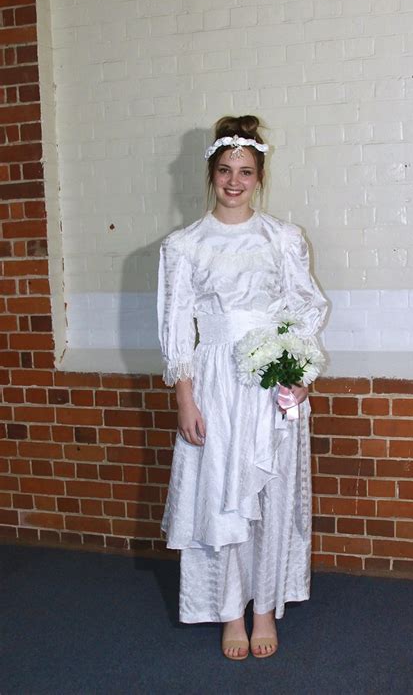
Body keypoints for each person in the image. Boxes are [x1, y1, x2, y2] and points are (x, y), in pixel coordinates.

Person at [157, 115, 329, 660]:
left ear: (259, 176)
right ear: (211, 174)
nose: (235, 181)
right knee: (220, 500)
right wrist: (186, 397)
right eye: (226, 170)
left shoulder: (282, 238)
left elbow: (307, 308)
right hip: (215, 387)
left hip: (269, 388)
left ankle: (263, 610)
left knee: (269, 497)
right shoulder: (184, 246)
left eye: (246, 172)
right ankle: (230, 611)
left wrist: (299, 374)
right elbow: (177, 326)